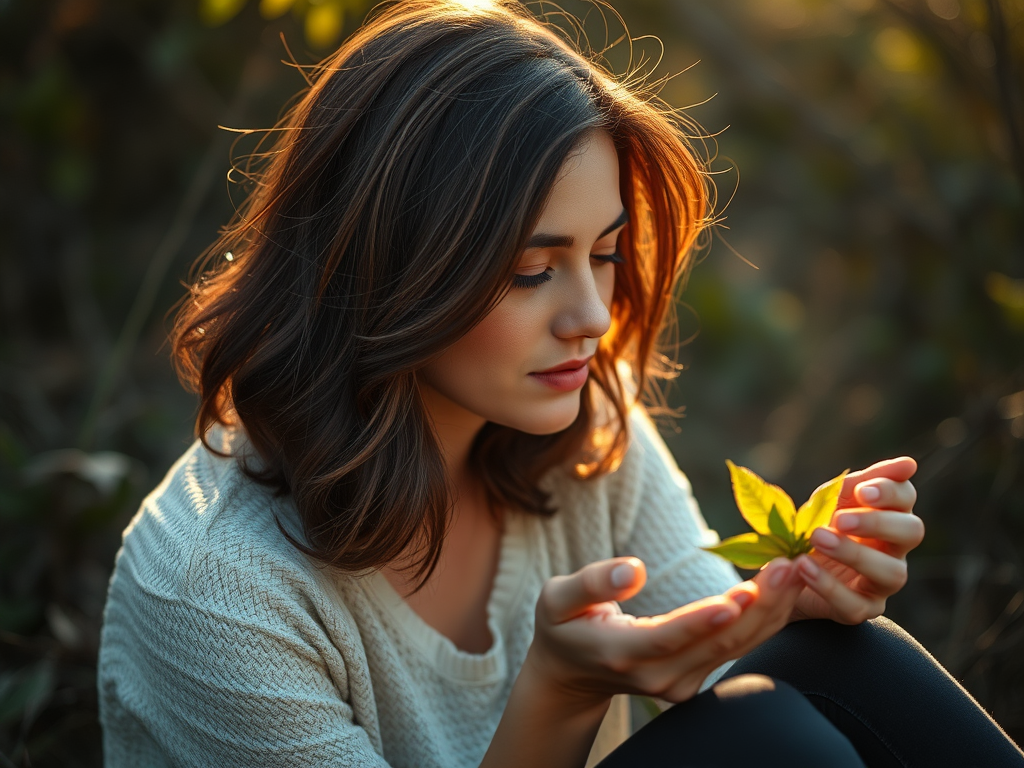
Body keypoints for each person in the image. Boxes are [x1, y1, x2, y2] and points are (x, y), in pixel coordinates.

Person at [96, 1, 1024, 766]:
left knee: (839, 660)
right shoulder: (215, 591)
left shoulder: (583, 420)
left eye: (606, 254)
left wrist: (794, 594)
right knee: (766, 737)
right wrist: (561, 694)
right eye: (531, 270)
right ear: (385, 263)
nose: (591, 317)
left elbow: (720, 655)